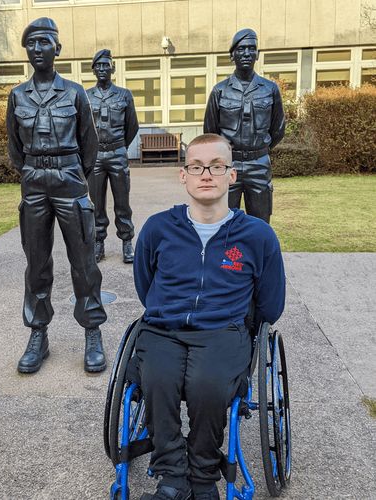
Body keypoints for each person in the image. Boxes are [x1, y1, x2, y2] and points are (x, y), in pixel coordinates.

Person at [133, 133, 286, 499]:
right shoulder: (158, 228)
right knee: (157, 379)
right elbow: (145, 284)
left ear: (231, 176)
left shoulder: (257, 235)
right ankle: (172, 476)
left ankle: (203, 477)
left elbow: (269, 305)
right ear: (183, 175)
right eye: (197, 166)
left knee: (208, 385)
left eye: (217, 166)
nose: (206, 174)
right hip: (164, 330)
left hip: (223, 331)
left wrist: (242, 332)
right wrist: (167, 312)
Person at [6, 17, 107, 375]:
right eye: (31, 44)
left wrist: (72, 174)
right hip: (34, 181)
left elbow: (90, 146)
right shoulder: (18, 95)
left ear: (57, 49)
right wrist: (35, 169)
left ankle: (92, 331)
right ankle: (38, 334)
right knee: (37, 262)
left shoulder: (75, 92)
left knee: (83, 261)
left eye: (44, 42)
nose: (37, 49)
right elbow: (14, 148)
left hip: (69, 179)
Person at [203, 29, 285, 223]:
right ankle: (230, 255)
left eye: (251, 49)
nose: (246, 53)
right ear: (232, 54)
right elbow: (210, 131)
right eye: (241, 49)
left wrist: (259, 149)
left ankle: (255, 255)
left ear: (257, 54)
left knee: (260, 223)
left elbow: (278, 128)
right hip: (228, 165)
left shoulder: (270, 89)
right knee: (224, 222)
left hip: (259, 163)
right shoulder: (220, 90)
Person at [86, 49, 139, 264]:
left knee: (122, 201)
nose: (102, 69)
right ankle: (98, 242)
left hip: (117, 153)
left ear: (112, 68)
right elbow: (83, 128)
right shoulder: (86, 96)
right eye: (98, 66)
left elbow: (132, 126)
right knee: (96, 203)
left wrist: (119, 146)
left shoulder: (124, 95)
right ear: (93, 70)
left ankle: (127, 241)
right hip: (96, 155)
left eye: (106, 65)